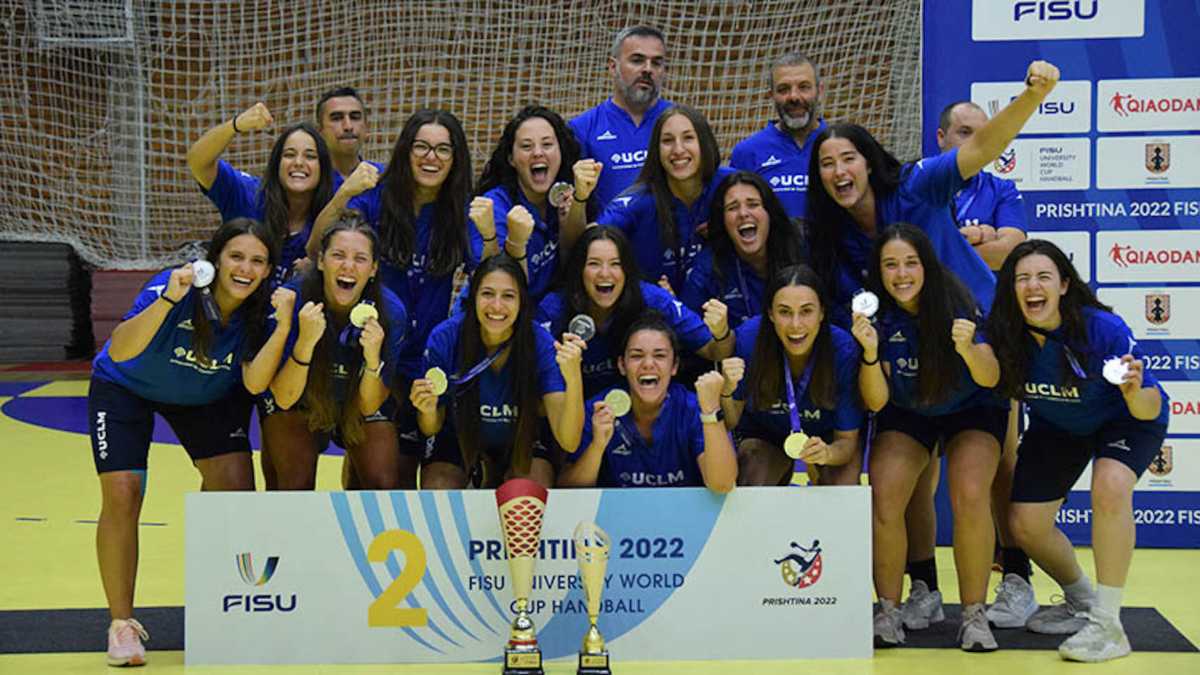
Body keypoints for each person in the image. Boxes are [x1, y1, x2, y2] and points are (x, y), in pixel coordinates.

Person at [91, 219, 286, 666]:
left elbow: (255, 385)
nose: (245, 268)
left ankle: (216, 608)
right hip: (127, 386)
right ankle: (121, 625)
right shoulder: (173, 287)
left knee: (234, 484)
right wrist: (169, 300)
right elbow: (120, 350)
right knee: (123, 492)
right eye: (236, 257)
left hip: (204, 396)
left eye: (257, 261)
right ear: (214, 260)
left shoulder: (261, 313)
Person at [988, 240, 1168, 663]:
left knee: (1109, 487)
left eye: (1044, 277)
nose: (1033, 286)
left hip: (1124, 419)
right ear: (1011, 289)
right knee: (1025, 525)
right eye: (1023, 278)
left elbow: (1151, 405)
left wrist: (1133, 390)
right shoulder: (1005, 332)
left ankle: (1109, 625)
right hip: (1058, 425)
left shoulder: (1101, 327)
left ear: (1065, 285)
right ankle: (1082, 601)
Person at [902, 100, 1035, 634]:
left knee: (1002, 462)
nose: (972, 140)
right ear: (941, 137)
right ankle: (924, 587)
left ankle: (1017, 577)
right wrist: (976, 240)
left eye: (981, 133)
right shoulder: (924, 185)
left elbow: (1013, 249)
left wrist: (965, 243)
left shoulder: (1000, 189)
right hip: (925, 343)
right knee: (921, 470)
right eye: (962, 132)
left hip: (991, 337)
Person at [849, 224, 1005, 651]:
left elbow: (991, 376)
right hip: (908, 411)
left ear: (927, 265)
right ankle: (888, 611)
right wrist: (869, 353)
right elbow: (878, 402)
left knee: (970, 492)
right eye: (890, 265)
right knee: (884, 493)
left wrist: (969, 350)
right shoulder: (874, 316)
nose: (901, 274)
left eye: (910, 263)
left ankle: (973, 616)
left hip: (973, 407)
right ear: (877, 272)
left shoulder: (962, 300)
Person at [806, 60, 1061, 315]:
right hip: (911, 340)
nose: (839, 171)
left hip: (978, 322)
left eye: (849, 159)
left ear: (869, 164)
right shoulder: (831, 231)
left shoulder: (917, 184)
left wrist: (1033, 95)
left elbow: (982, 148)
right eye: (827, 164)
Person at [308, 110, 476, 475]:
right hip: (367, 352)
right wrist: (345, 192)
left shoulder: (459, 212)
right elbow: (315, 248)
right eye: (422, 146)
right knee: (365, 475)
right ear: (405, 151)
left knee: (396, 478)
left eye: (443, 150)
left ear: (455, 159)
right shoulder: (374, 198)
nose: (431, 157)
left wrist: (493, 236)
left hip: (421, 360)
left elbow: (492, 274)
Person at [260, 213, 409, 490]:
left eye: (360, 259)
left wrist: (373, 358)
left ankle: (354, 464)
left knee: (382, 482)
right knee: (294, 483)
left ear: (374, 269)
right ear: (320, 261)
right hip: (300, 397)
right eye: (338, 255)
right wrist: (305, 343)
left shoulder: (391, 314)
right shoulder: (292, 300)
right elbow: (283, 397)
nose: (348, 266)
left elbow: (369, 405)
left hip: (355, 398)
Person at [410, 254, 585, 489]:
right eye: (487, 294)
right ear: (473, 298)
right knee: (439, 490)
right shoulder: (445, 338)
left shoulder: (541, 343)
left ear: (522, 301)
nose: (497, 306)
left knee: (529, 492)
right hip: (457, 438)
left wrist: (574, 379)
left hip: (521, 441)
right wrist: (427, 409)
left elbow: (569, 441)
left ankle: (494, 473)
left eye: (508, 296)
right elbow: (431, 427)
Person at [538, 226, 731, 399]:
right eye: (594, 263)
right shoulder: (553, 309)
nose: (605, 273)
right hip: (576, 416)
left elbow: (715, 351)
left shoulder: (653, 299)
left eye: (615, 263)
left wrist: (722, 332)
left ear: (627, 270)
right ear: (579, 271)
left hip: (640, 410)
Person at [559, 313, 738, 492]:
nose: (648, 364)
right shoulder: (598, 409)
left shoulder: (694, 408)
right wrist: (597, 446)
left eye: (659, 356)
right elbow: (570, 491)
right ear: (622, 365)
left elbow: (722, 484)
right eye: (637, 356)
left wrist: (711, 412)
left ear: (674, 366)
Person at [720, 265, 863, 487]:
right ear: (770, 314)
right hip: (766, 433)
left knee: (843, 489)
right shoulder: (749, 340)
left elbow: (846, 442)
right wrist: (727, 390)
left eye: (806, 311)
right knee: (754, 477)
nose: (796, 324)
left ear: (822, 313)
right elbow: (730, 421)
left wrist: (827, 454)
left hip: (825, 436)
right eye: (784, 312)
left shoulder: (843, 350)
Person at [187, 105, 334, 285]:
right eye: (289, 154)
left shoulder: (331, 211)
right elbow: (198, 163)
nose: (298, 163)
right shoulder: (249, 194)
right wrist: (235, 125)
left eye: (310, 156)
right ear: (276, 164)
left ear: (323, 168)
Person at [597, 104, 734, 294]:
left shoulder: (731, 187)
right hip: (652, 311)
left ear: (704, 142)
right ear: (656, 150)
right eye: (667, 141)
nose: (678, 149)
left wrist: (727, 227)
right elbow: (592, 239)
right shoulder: (638, 202)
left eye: (688, 138)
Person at [471, 105, 599, 302]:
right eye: (526, 146)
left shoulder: (566, 193)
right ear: (511, 159)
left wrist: (579, 205)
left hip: (548, 308)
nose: (538, 153)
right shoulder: (494, 207)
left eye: (547, 144)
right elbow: (500, 290)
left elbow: (571, 263)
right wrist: (516, 242)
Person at [681, 171, 808, 329]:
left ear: (770, 212)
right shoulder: (708, 267)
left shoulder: (803, 246)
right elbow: (688, 333)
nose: (743, 214)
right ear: (723, 221)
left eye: (753, 204)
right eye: (732, 208)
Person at [570, 25, 671, 210]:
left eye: (656, 62)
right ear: (613, 66)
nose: (648, 69)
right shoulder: (582, 129)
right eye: (637, 60)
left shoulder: (681, 121)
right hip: (610, 237)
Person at [729, 51, 828, 219]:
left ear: (820, 91)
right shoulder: (747, 152)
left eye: (804, 87)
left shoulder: (840, 145)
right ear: (771, 95)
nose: (794, 97)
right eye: (783, 89)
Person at [314, 86, 386, 184]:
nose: (348, 126)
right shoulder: (310, 180)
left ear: (366, 127)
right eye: (337, 118)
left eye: (355, 117)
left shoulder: (385, 178)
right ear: (319, 132)